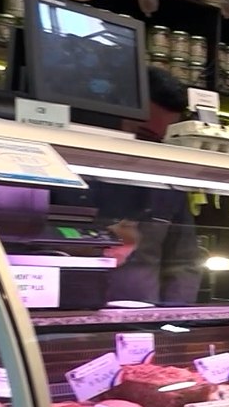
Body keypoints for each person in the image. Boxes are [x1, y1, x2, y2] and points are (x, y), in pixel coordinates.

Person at [59, 68, 203, 304]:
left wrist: (172, 321)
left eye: (158, 140)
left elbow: (184, 263)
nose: (150, 147)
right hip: (68, 319)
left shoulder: (169, 185)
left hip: (142, 323)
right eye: (143, 135)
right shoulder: (69, 165)